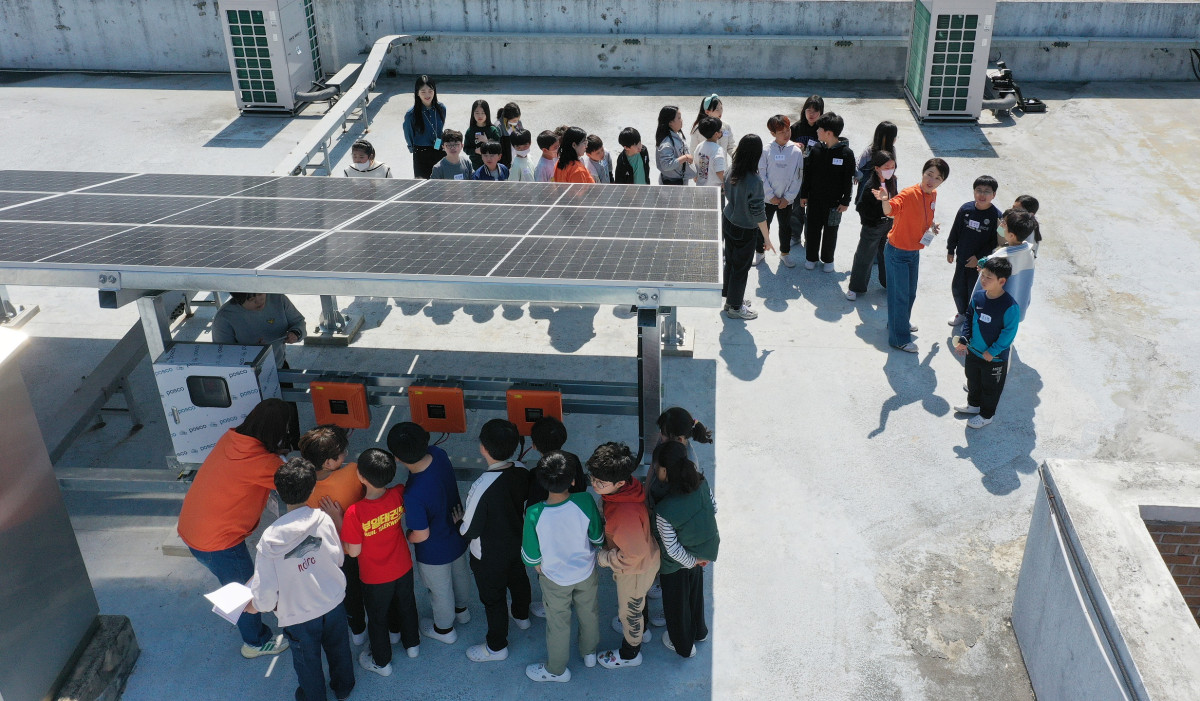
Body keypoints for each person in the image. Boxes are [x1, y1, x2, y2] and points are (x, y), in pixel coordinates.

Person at [177, 398, 290, 658]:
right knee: (244, 593)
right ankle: (256, 642)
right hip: (220, 543)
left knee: (233, 585)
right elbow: (295, 481)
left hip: (193, 528)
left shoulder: (232, 440)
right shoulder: (263, 463)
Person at [248, 458, 355, 701]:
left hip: (298, 615)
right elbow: (338, 558)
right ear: (311, 489)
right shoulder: (323, 518)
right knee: (339, 648)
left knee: (307, 662)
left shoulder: (269, 540)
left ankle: (313, 696)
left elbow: (265, 592)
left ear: (278, 490)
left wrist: (255, 606)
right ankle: (344, 686)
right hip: (333, 602)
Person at [521, 451, 604, 683]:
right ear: (574, 480)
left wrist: (539, 567)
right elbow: (597, 537)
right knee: (589, 613)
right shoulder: (585, 501)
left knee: (558, 623)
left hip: (554, 578)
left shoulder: (534, 512)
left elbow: (531, 555)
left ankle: (556, 670)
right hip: (586, 572)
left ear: (541, 480)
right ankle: (589, 653)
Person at [386, 422, 472, 646]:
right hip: (456, 533)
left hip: (434, 551)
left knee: (440, 590)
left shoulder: (413, 494)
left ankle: (444, 629)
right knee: (460, 575)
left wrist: (408, 536)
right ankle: (462, 611)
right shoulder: (439, 454)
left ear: (397, 457)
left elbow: (421, 534)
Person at [338, 448, 420, 677]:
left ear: (361, 477)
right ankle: (412, 645)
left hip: (374, 577)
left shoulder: (355, 512)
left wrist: (338, 521)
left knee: (377, 618)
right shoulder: (399, 493)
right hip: (403, 566)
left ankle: (381, 662)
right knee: (406, 605)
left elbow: (353, 552)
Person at [459, 419, 532, 663]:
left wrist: (459, 520)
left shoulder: (481, 486)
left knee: (494, 600)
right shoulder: (522, 469)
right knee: (519, 580)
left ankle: (496, 647)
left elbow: (468, 530)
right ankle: (522, 616)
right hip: (517, 545)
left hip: (488, 557)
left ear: (483, 448)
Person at [588, 442, 661, 669]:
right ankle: (643, 629)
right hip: (646, 562)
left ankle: (630, 653)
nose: (594, 484)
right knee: (638, 603)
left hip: (635, 569)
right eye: (592, 477)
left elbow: (633, 554)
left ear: (619, 482)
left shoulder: (623, 513)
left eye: (600, 482)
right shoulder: (629, 489)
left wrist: (604, 558)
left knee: (629, 611)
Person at [299, 426, 367, 646]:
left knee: (349, 591)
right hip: (359, 544)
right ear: (328, 462)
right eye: (341, 454)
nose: (346, 455)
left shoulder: (304, 487)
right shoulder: (353, 472)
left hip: (328, 552)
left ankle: (357, 630)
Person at [651, 441, 718, 659]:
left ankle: (683, 646)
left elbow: (670, 548)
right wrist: (697, 560)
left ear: (664, 471)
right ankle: (699, 632)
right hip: (700, 554)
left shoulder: (665, 509)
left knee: (676, 606)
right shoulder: (703, 483)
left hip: (676, 565)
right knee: (694, 596)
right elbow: (713, 508)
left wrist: (689, 561)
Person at [211, 291, 305, 447]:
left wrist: (296, 333)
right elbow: (223, 357)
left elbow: (298, 321)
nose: (258, 300)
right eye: (251, 299)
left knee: (289, 415)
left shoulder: (278, 299)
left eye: (260, 294)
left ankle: (292, 446)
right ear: (238, 300)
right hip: (247, 379)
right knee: (259, 421)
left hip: (278, 367)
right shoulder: (225, 318)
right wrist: (251, 352)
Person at [876, 157, 950, 353]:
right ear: (923, 173)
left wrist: (931, 226)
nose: (931, 180)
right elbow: (891, 209)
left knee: (909, 293)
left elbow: (924, 216)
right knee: (899, 295)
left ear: (942, 182)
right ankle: (899, 339)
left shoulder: (932, 195)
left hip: (913, 251)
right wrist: (885, 200)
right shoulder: (909, 194)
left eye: (937, 178)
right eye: (929, 174)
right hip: (897, 252)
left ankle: (898, 323)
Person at [954, 257, 1020, 428]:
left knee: (991, 389)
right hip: (973, 351)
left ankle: (986, 415)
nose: (983, 280)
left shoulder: (1010, 306)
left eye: (988, 277)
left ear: (1002, 281)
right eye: (983, 275)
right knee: (973, 380)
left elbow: (1009, 333)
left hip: (994, 358)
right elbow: (969, 318)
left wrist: (993, 351)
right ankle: (973, 405)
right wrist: (964, 338)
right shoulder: (978, 297)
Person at [720, 134, 773, 320]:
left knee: (731, 262)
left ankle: (731, 299)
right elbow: (759, 213)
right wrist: (766, 238)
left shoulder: (731, 170)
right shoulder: (755, 181)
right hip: (745, 229)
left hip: (728, 220)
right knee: (741, 268)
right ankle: (735, 307)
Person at [799, 112, 856, 272]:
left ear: (829, 133)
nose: (817, 131)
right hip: (814, 200)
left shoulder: (846, 154)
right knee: (812, 230)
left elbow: (848, 180)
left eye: (820, 129)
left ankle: (827, 259)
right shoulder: (816, 149)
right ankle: (811, 257)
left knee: (831, 231)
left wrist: (846, 201)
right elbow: (808, 174)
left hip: (835, 204)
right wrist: (804, 195)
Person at [946, 175, 1002, 328]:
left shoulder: (996, 217)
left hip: (980, 264)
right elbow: (955, 231)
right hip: (962, 259)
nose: (982, 195)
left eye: (987, 191)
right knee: (958, 287)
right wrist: (950, 249)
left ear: (994, 195)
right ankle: (962, 313)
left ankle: (974, 318)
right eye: (979, 190)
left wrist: (979, 258)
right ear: (973, 192)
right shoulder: (966, 209)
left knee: (975, 291)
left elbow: (995, 241)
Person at [846, 150, 897, 301]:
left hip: (889, 224)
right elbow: (861, 207)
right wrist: (874, 220)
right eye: (886, 167)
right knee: (864, 256)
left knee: (887, 255)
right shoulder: (870, 185)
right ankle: (855, 287)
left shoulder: (892, 180)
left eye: (892, 166)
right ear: (877, 168)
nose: (890, 170)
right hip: (873, 226)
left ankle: (888, 283)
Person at [974, 208, 1038, 321]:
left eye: (1005, 224)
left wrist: (985, 271)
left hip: (993, 313)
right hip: (1014, 311)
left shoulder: (1001, 257)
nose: (1002, 225)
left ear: (1012, 235)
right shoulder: (1028, 252)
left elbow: (986, 285)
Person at [757, 114, 804, 268]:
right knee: (764, 225)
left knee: (786, 227)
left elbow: (798, 176)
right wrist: (770, 195)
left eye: (788, 130)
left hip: (786, 200)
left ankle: (785, 253)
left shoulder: (796, 152)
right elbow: (761, 174)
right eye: (781, 132)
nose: (786, 134)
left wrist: (787, 198)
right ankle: (759, 252)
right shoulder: (765, 150)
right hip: (768, 199)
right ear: (773, 134)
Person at [789, 95, 824, 247]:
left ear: (821, 112)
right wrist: (792, 145)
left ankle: (810, 238)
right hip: (798, 174)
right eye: (808, 110)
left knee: (814, 210)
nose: (811, 114)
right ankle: (795, 235)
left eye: (815, 111)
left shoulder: (823, 129)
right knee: (797, 208)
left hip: (816, 176)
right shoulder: (796, 128)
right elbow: (784, 144)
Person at [402, 75, 448, 179]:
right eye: (423, 91)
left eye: (430, 90)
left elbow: (439, 129)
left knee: (441, 182)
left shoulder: (441, 108)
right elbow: (408, 134)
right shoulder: (411, 114)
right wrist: (412, 148)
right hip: (421, 153)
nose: (427, 95)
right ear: (417, 93)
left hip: (439, 148)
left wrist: (439, 143)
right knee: (423, 186)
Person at [655, 106, 695, 185]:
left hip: (678, 180)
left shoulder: (675, 136)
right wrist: (685, 157)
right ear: (670, 122)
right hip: (672, 184)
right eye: (679, 118)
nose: (681, 120)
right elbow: (666, 165)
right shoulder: (666, 144)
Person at [464, 100, 503, 171]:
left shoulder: (493, 130)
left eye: (483, 113)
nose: (480, 116)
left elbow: (499, 148)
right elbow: (466, 149)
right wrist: (476, 151)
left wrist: (487, 141)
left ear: (487, 114)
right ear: (473, 114)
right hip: (476, 167)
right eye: (477, 113)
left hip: (492, 166)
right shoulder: (470, 131)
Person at [691, 117, 727, 190]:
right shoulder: (718, 150)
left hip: (700, 188)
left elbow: (695, 165)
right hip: (715, 190)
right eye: (720, 130)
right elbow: (719, 171)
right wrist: (727, 184)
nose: (722, 132)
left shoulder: (699, 146)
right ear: (716, 134)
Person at [495, 102, 524, 167]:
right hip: (505, 163)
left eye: (518, 119)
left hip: (517, 159)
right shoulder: (498, 127)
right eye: (514, 120)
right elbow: (496, 149)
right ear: (506, 118)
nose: (516, 122)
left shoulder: (518, 123)